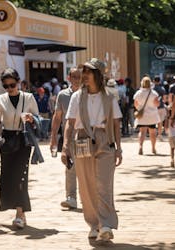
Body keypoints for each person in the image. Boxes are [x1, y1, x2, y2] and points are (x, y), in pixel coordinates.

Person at [61, 58, 123, 242]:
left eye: (88, 72)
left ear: (97, 75)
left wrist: (119, 149)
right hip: (82, 139)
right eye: (84, 71)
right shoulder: (76, 96)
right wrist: (65, 146)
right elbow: (70, 123)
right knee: (86, 185)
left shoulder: (110, 96)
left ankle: (105, 224)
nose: (84, 75)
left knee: (104, 184)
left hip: (105, 140)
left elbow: (116, 123)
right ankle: (93, 224)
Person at [0, 68, 39, 229]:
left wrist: (31, 119)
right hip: (7, 140)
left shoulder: (28, 98)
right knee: (8, 177)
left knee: (21, 176)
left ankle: (20, 214)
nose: (10, 88)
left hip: (23, 140)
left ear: (19, 82)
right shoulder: (0, 100)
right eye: (6, 86)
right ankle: (17, 210)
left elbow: (38, 118)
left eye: (13, 84)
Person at [49, 67, 82, 209]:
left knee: (87, 170)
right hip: (69, 137)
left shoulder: (87, 94)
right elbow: (57, 118)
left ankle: (90, 198)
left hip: (84, 137)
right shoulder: (62, 95)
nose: (76, 79)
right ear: (69, 78)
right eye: (73, 76)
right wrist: (53, 138)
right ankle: (71, 197)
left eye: (79, 77)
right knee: (70, 167)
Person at [134, 77, 161, 155]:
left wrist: (140, 108)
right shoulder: (154, 93)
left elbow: (135, 104)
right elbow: (157, 104)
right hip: (152, 116)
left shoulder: (138, 93)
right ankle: (153, 148)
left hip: (142, 116)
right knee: (152, 132)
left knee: (142, 132)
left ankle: (140, 147)